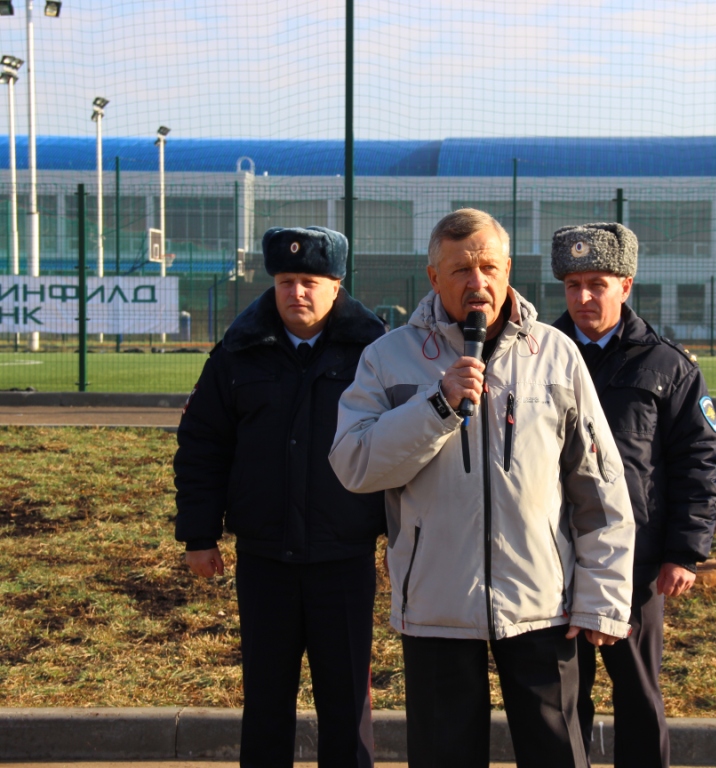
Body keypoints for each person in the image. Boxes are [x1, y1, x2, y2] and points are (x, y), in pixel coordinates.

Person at [329, 208, 635, 768]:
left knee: (559, 756)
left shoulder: (555, 353)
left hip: (544, 606)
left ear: (508, 269)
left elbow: (599, 485)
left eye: (489, 267)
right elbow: (355, 464)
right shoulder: (387, 357)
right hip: (436, 607)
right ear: (433, 277)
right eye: (461, 270)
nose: (478, 283)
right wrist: (437, 404)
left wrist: (602, 598)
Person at [173, 226, 386, 768]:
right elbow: (203, 445)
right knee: (266, 702)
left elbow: (403, 448)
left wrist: (401, 536)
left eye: (310, 281)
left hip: (344, 557)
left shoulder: (375, 353)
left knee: (347, 703)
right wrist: (199, 534)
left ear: (336, 284)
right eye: (286, 280)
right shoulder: (237, 352)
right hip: (265, 558)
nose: (297, 292)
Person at [550, 222, 716, 768]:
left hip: (635, 562)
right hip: (553, 557)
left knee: (639, 694)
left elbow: (698, 462)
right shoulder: (538, 355)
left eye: (597, 284)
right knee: (560, 701)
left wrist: (683, 552)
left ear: (625, 286)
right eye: (573, 285)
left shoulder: (667, 365)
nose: (583, 297)